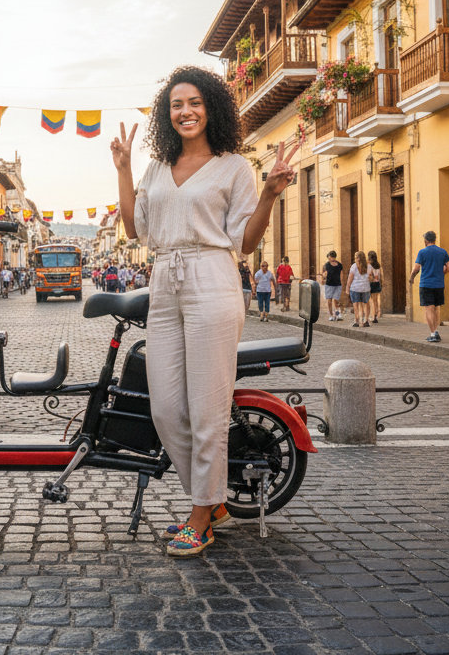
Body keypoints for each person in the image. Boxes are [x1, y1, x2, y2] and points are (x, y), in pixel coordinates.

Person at [112, 64, 297, 556]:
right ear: (166, 114)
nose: (186, 111)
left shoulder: (235, 166)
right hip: (164, 282)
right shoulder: (156, 168)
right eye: (176, 104)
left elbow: (247, 240)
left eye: (194, 102)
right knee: (167, 409)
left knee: (207, 407)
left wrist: (272, 194)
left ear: (210, 107)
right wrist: (124, 169)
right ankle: (210, 499)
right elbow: (134, 230)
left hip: (213, 280)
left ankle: (202, 513)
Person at [410, 231, 449, 343]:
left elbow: (417, 268)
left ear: (425, 241)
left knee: (429, 309)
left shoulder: (422, 252)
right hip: (439, 284)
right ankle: (435, 330)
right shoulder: (443, 252)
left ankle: (433, 333)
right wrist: (442, 273)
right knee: (436, 308)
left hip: (426, 284)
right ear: (435, 239)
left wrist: (411, 277)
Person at [347, 251, 371, 327]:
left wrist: (347, 287)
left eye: (356, 257)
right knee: (366, 304)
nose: (355, 258)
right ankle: (366, 320)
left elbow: (350, 278)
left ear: (358, 258)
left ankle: (357, 320)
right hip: (365, 288)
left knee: (355, 304)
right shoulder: (368, 266)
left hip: (355, 288)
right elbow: (371, 277)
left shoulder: (354, 266)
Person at [321, 251, 344, 321]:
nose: (329, 259)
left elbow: (342, 274)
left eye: (329, 257)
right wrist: (323, 278)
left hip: (337, 284)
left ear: (332, 257)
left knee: (336, 300)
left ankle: (337, 314)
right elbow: (323, 273)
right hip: (329, 284)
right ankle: (331, 315)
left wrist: (342, 283)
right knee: (329, 300)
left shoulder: (339, 265)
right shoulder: (326, 265)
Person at [367, 251, 383, 323]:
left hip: (371, 284)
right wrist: (382, 283)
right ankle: (376, 314)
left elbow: (369, 276)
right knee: (376, 300)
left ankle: (373, 316)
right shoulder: (379, 266)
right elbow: (382, 276)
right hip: (377, 284)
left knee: (372, 301)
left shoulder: (369, 266)